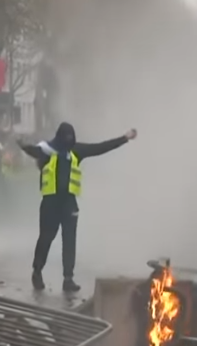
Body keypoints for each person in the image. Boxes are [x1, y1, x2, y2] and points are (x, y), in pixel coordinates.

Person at [19, 122, 137, 293]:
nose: (69, 140)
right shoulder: (45, 150)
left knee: (69, 241)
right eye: (66, 137)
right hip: (50, 204)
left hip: (69, 204)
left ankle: (68, 279)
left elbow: (100, 148)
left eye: (71, 137)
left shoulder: (76, 150)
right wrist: (22, 145)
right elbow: (31, 151)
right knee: (46, 239)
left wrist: (125, 138)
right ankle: (37, 272)